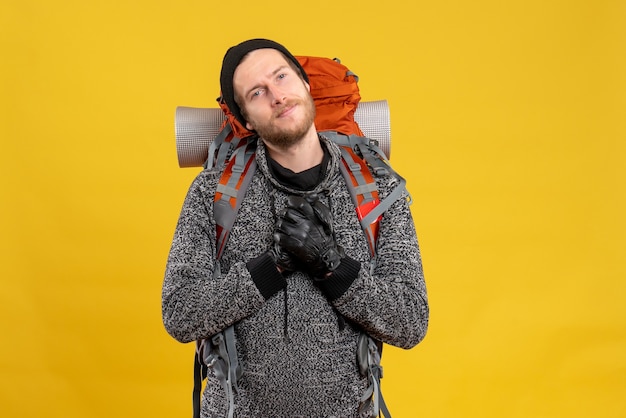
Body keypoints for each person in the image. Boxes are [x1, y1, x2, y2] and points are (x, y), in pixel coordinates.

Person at [162, 38, 429, 418]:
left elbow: (410, 321)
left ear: (305, 83)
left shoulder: (377, 190)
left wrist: (333, 267)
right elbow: (180, 313)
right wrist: (270, 268)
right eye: (257, 92)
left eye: (282, 77)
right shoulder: (213, 193)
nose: (277, 96)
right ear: (247, 119)